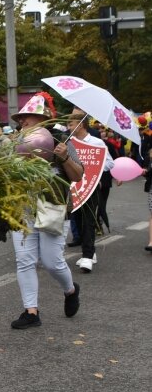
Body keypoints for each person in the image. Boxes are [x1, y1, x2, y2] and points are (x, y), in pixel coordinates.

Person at [6, 93, 83, 330]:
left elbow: (78, 176)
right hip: (23, 209)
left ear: (43, 119)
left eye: (29, 118)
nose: (23, 122)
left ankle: (70, 290)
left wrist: (64, 158)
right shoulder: (14, 141)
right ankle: (31, 311)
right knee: (25, 261)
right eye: (22, 119)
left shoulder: (61, 140)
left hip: (52, 208)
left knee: (51, 262)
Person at [66, 108, 114, 273]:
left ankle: (87, 255)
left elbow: (109, 163)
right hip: (73, 186)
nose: (68, 126)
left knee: (89, 219)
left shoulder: (97, 142)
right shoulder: (68, 142)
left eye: (70, 123)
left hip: (91, 186)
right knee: (77, 219)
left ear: (81, 124)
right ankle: (89, 251)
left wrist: (97, 171)